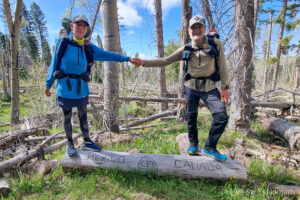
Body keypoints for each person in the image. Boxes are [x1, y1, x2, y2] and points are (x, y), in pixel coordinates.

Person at [135, 15, 229, 162]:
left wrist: (224, 87)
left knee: (221, 116)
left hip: (210, 86)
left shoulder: (216, 44)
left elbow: (223, 66)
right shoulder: (185, 49)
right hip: (191, 86)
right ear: (189, 31)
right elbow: (165, 61)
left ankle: (210, 147)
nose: (197, 30)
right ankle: (193, 144)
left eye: (199, 27)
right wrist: (143, 63)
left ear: (204, 28)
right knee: (191, 116)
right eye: (194, 27)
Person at [45, 14, 141, 156]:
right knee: (67, 117)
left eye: (84, 26)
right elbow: (54, 64)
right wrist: (48, 84)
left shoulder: (88, 47)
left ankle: (87, 141)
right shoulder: (63, 43)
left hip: (81, 88)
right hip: (64, 88)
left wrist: (127, 59)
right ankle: (70, 144)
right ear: (72, 26)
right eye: (79, 24)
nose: (81, 28)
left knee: (83, 115)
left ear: (87, 30)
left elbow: (108, 55)